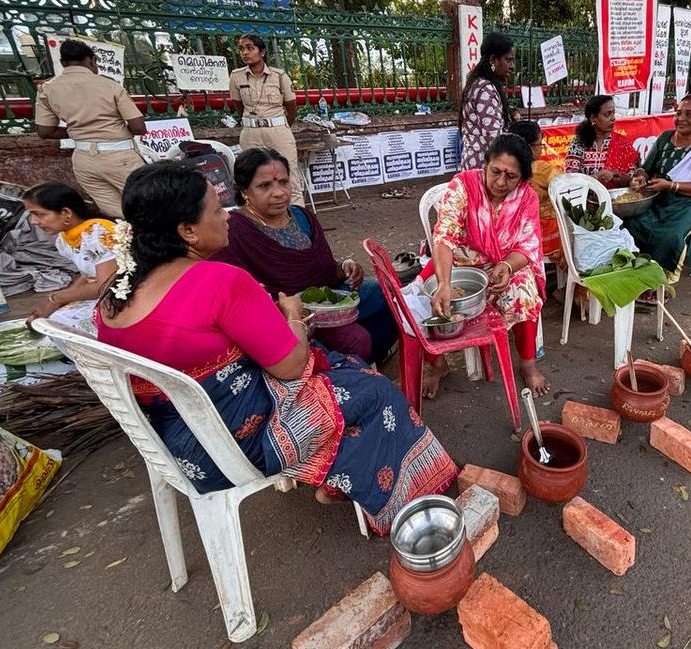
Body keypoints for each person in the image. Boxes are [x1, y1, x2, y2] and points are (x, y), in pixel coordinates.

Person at [94, 161, 457, 536]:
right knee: (373, 388)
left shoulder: (114, 293)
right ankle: (395, 496)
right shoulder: (220, 281)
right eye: (218, 210)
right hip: (237, 444)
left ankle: (344, 477)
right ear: (187, 231)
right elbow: (289, 365)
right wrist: (294, 317)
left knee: (344, 362)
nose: (227, 217)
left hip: (174, 444)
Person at [212, 148, 396, 365]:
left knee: (386, 295)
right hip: (288, 317)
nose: (279, 192)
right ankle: (343, 375)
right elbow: (237, 296)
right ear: (244, 191)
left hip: (326, 299)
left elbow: (325, 269)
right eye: (265, 186)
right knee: (357, 339)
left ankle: (370, 358)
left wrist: (346, 266)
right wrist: (290, 310)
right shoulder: (234, 229)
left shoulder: (301, 216)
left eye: (283, 182)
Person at [425, 134, 547, 397]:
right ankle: (438, 364)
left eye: (511, 176)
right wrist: (444, 283)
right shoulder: (463, 186)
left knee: (525, 294)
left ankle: (527, 364)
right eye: (496, 172)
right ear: (485, 164)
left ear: (522, 178)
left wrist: (507, 266)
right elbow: (444, 237)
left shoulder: (527, 197)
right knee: (417, 301)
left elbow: (528, 245)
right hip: (458, 262)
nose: (501, 182)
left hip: (502, 264)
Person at [622, 95, 691, 284]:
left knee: (670, 236)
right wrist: (641, 176)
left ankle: (664, 282)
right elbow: (645, 168)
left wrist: (671, 185)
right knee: (632, 223)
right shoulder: (666, 138)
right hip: (662, 199)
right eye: (679, 113)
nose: (681, 118)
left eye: (689, 114)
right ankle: (639, 273)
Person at [34, 39, 147, 219]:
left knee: (116, 214)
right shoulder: (109, 85)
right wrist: (115, 130)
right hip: (120, 158)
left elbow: (45, 131)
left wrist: (76, 132)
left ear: (63, 63)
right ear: (92, 61)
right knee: (150, 206)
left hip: (83, 160)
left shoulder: (47, 89)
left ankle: (126, 245)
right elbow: (139, 127)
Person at [20, 183, 116, 331]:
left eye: (39, 214)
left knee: (63, 326)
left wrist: (57, 298)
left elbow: (105, 286)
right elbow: (88, 275)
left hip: (121, 294)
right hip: (104, 293)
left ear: (66, 213)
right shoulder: (64, 239)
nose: (34, 221)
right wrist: (62, 300)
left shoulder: (99, 234)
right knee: (53, 320)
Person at [228, 35, 302, 204]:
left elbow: (291, 107)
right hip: (251, 132)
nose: (245, 53)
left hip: (277, 130)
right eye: (241, 49)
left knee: (289, 177)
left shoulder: (279, 75)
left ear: (262, 52)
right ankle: (260, 224)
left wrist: (282, 127)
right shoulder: (236, 77)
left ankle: (298, 222)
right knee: (253, 178)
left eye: (250, 48)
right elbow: (239, 106)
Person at [509, 120, 564, 261]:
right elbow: (565, 190)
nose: (541, 148)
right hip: (539, 234)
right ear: (530, 147)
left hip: (510, 232)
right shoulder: (542, 169)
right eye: (540, 143)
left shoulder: (502, 168)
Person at [460, 33, 515, 171]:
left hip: (475, 163)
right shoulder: (486, 90)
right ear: (493, 60)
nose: (512, 66)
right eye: (508, 60)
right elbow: (495, 139)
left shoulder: (478, 84)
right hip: (483, 168)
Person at [563, 95, 639, 188]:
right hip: (586, 199)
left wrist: (613, 176)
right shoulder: (579, 143)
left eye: (613, 113)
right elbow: (571, 180)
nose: (613, 118)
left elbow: (632, 178)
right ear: (593, 118)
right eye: (607, 114)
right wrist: (596, 177)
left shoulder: (622, 144)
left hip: (617, 199)